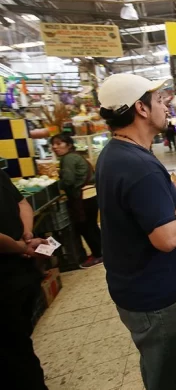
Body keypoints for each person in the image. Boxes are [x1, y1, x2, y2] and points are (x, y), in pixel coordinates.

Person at [96, 74, 176, 390]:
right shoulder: (136, 166)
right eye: (157, 100)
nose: (165, 104)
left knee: (160, 369)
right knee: (170, 378)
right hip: (155, 299)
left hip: (139, 288)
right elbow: (166, 238)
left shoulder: (117, 153)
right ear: (140, 108)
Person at [0, 168, 50, 390]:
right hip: (22, 271)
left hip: (7, 277)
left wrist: (21, 244)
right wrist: (26, 236)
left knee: (13, 351)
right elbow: (22, 203)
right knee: (20, 343)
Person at [50, 133, 103, 269]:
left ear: (68, 145)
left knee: (86, 227)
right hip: (91, 195)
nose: (55, 147)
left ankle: (98, 255)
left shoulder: (68, 159)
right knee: (91, 226)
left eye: (59, 143)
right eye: (53, 144)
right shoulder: (76, 156)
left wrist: (56, 185)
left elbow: (68, 180)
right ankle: (103, 252)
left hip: (83, 197)